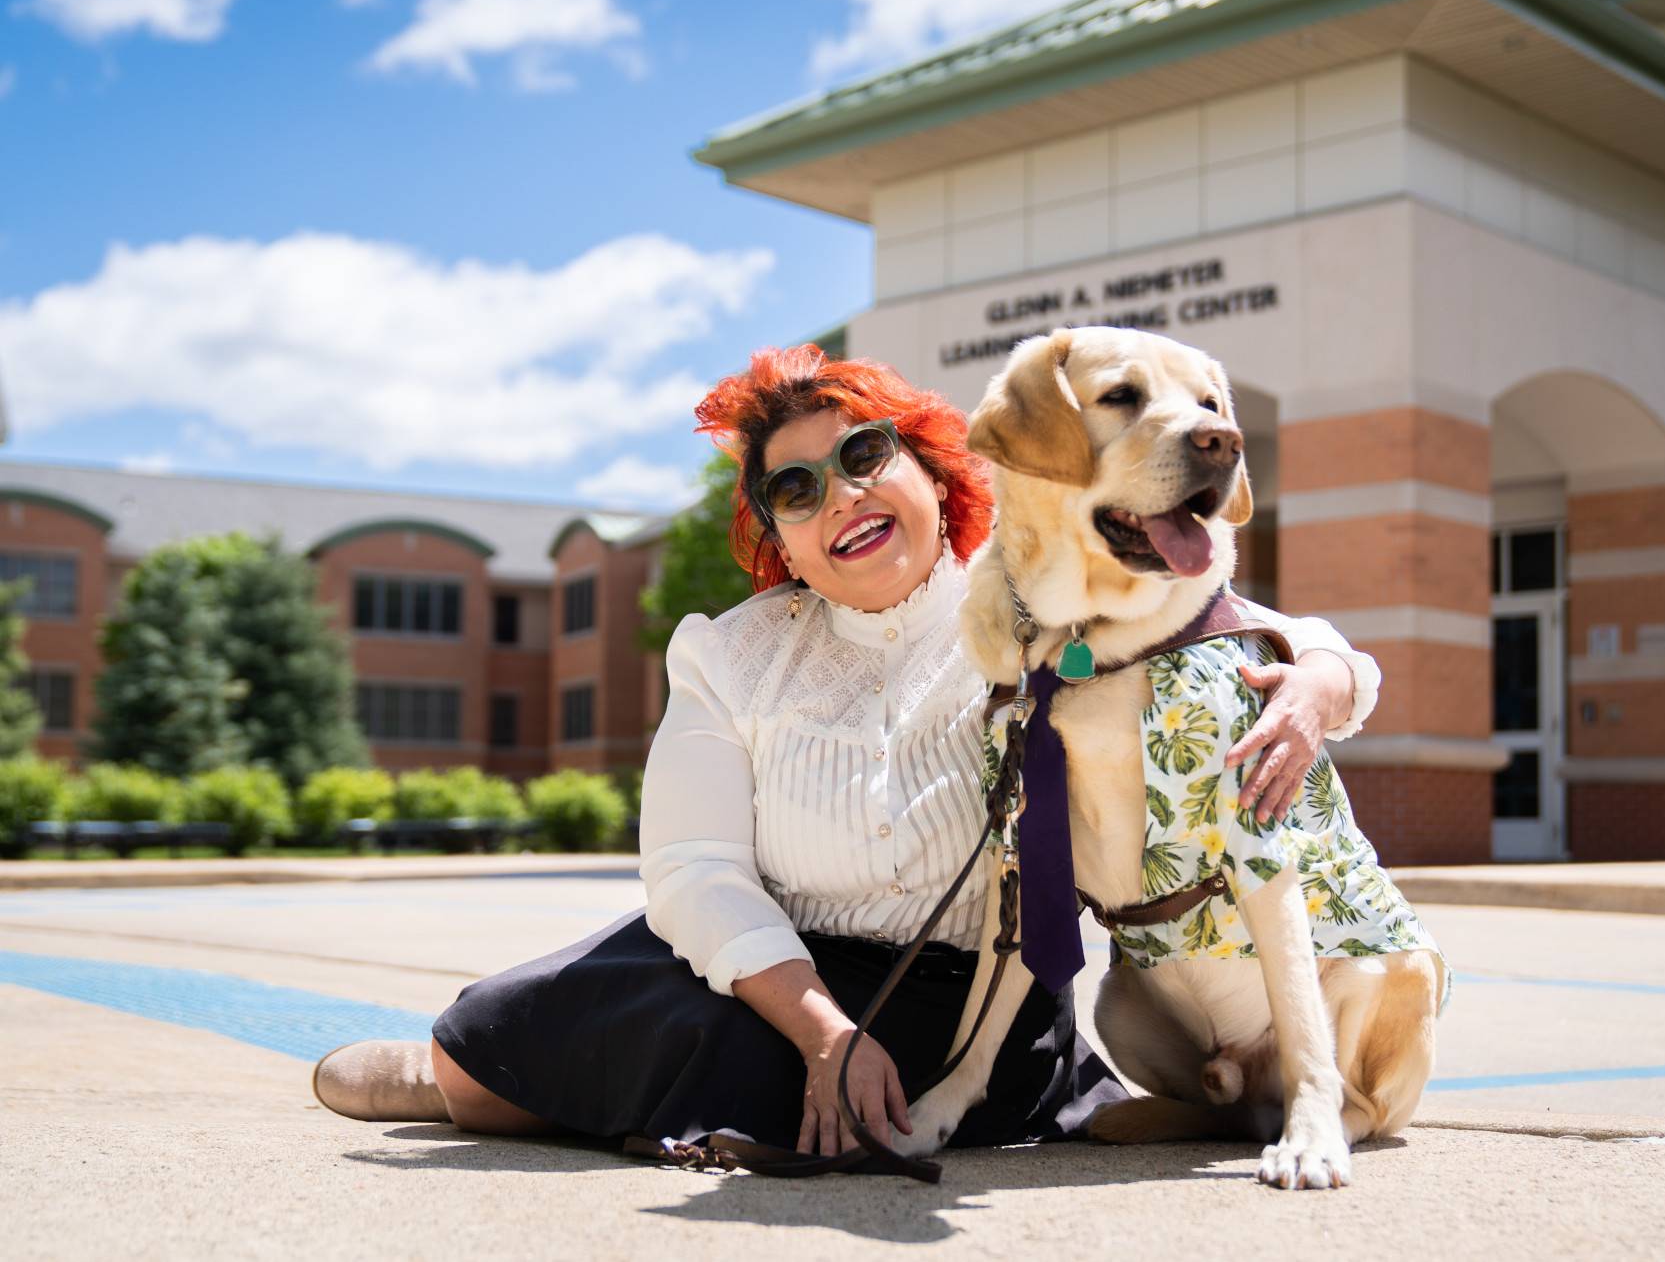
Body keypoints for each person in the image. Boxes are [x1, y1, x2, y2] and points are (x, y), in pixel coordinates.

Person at [312, 344, 1383, 1157]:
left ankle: (560, 1092)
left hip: (971, 993)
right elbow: (693, 872)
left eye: (865, 457)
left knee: (725, 1060)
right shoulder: (729, 656)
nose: (842, 498)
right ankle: (456, 1075)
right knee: (547, 1018)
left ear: (932, 473)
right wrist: (822, 1029)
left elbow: (1251, 621)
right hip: (781, 962)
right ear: (775, 540)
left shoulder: (1034, 598)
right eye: (797, 490)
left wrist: (1317, 684)